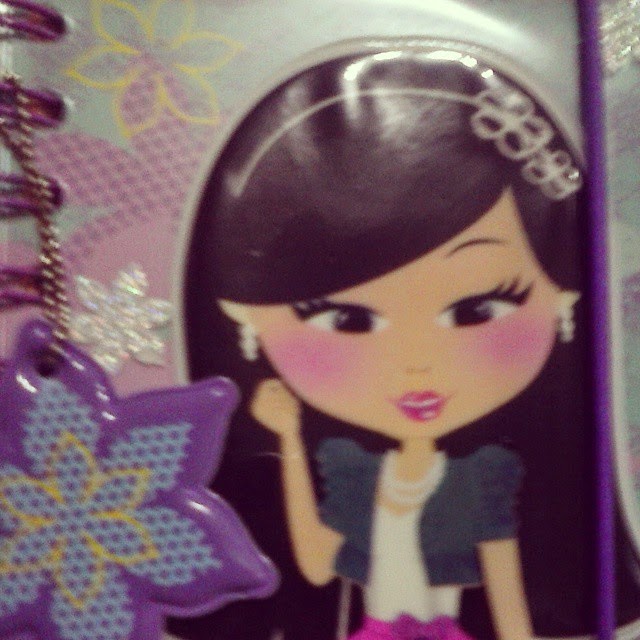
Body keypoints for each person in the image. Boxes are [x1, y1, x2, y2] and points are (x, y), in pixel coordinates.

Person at [177, 43, 640, 640]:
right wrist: (288, 439)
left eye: (477, 309)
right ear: (248, 318)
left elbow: (510, 609)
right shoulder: (354, 475)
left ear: (566, 296)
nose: (416, 365)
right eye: (346, 321)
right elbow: (316, 563)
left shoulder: (482, 479)